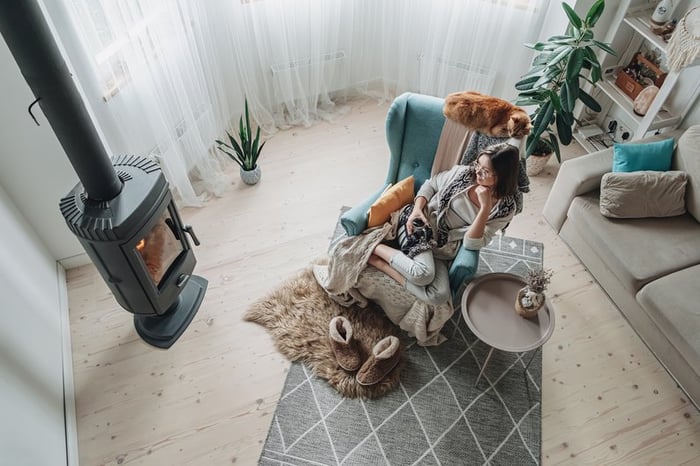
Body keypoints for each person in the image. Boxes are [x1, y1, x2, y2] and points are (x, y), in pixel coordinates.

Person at [367, 142, 521, 305]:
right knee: (424, 275)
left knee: (439, 296)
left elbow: (472, 243)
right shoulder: (463, 174)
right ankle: (375, 247)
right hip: (420, 222)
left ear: (502, 176)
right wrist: (417, 209)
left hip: (442, 246)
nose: (477, 171)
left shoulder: (505, 209)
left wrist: (485, 208)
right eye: (478, 164)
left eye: (485, 171)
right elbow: (431, 184)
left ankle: (380, 264)